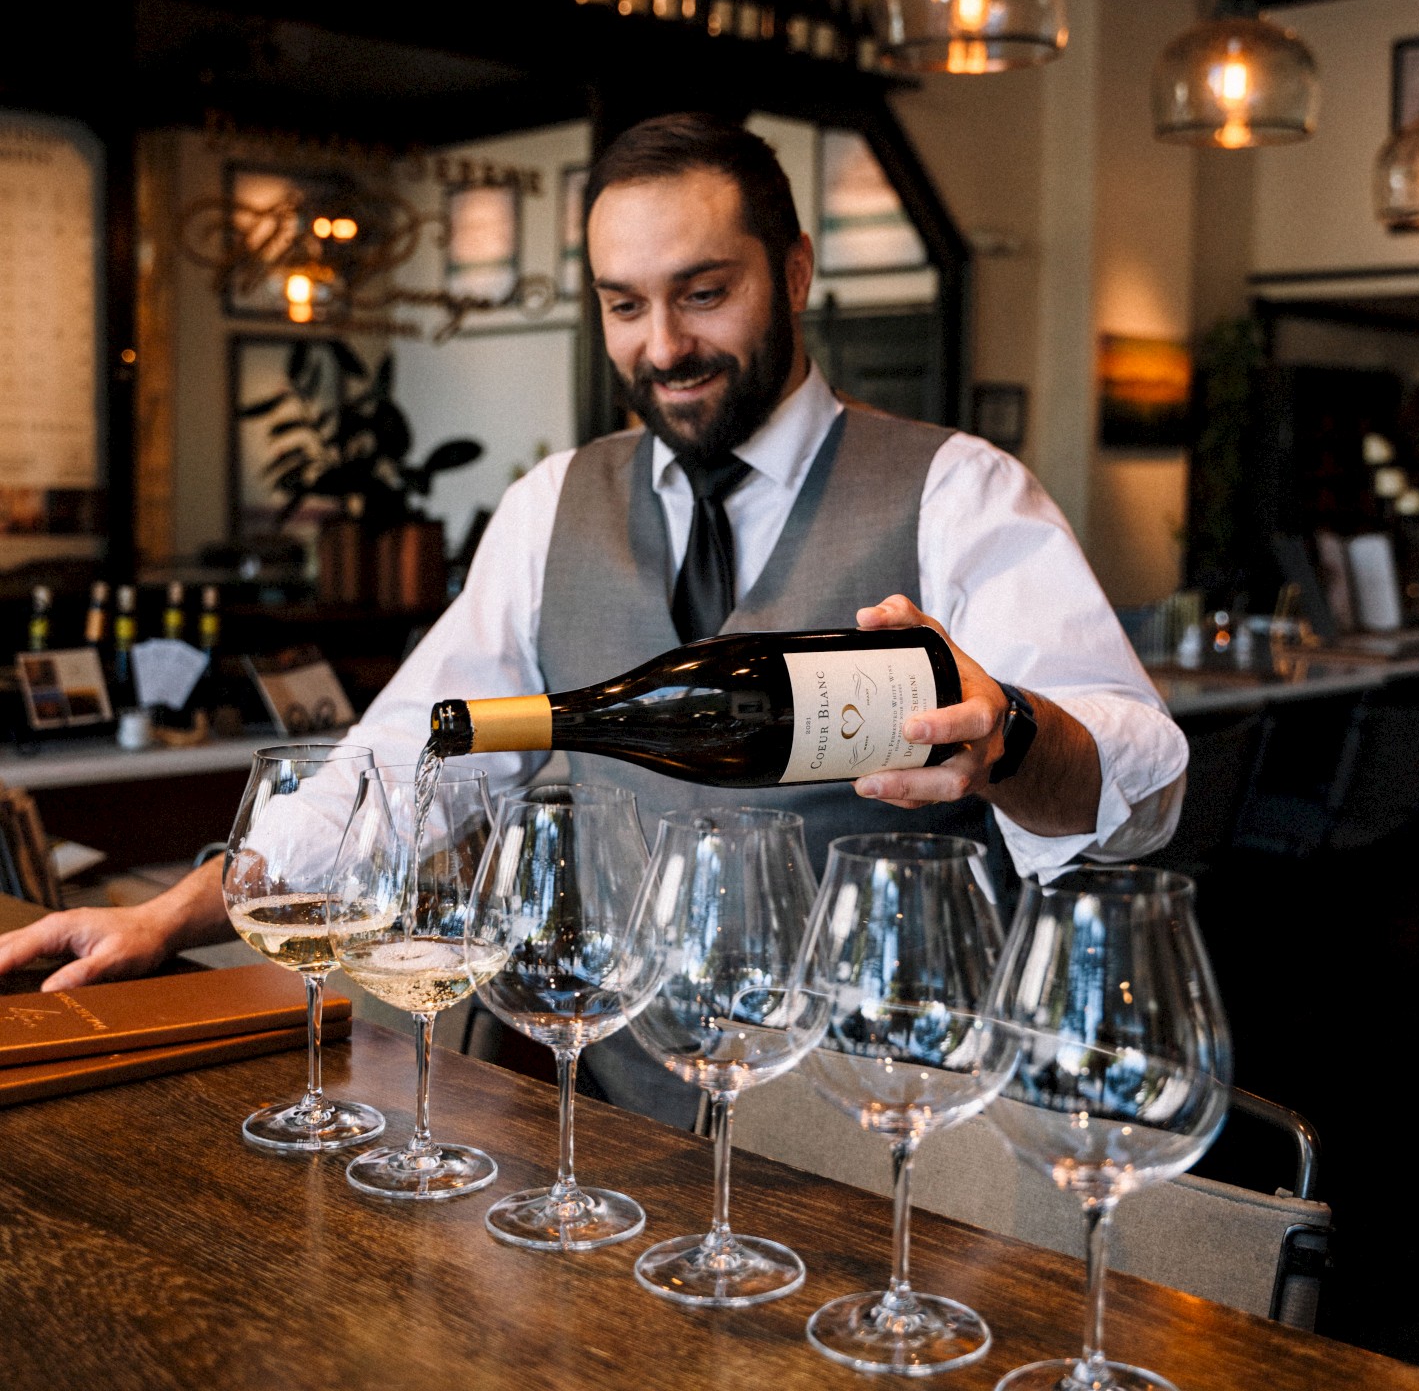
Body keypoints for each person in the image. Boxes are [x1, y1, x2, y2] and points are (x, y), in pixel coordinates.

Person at [0, 114, 1187, 1120]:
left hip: (892, 1125)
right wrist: (174, 912)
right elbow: (412, 755)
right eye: (624, 305)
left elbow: (1140, 789)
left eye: (704, 294)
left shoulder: (956, 490)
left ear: (797, 273)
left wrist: (1014, 732)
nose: (662, 346)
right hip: (627, 1124)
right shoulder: (550, 504)